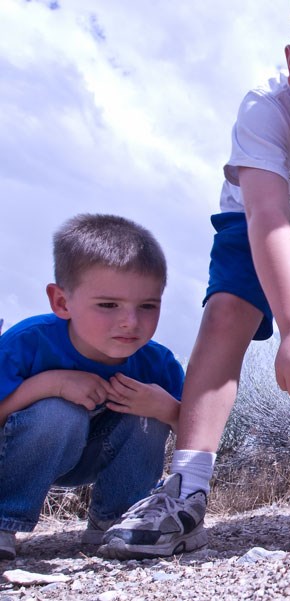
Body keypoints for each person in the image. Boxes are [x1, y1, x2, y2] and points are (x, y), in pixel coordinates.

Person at [99, 0, 290, 559]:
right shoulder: (265, 111)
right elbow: (267, 219)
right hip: (252, 221)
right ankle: (186, 490)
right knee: (226, 316)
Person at [0, 214, 184, 561]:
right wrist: (47, 385)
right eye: (108, 305)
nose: (130, 321)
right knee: (57, 412)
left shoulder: (156, 363)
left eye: (147, 306)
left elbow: (197, 432)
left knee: (150, 411)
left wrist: (167, 410)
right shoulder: (26, 343)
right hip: (17, 456)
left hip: (94, 455)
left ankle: (117, 521)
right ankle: (4, 520)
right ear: (61, 302)